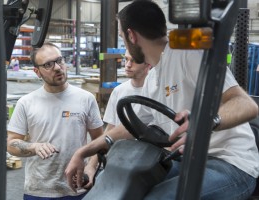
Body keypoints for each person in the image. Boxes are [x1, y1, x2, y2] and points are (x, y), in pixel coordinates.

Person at [65, 1, 259, 199]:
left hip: (230, 164)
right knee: (123, 186)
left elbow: (246, 105)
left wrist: (203, 123)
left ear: (131, 35)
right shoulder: (153, 77)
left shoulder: (187, 54)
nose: (125, 44)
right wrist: (85, 151)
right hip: (188, 161)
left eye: (123, 38)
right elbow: (133, 126)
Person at [7, 42, 104, 200]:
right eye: (48, 65)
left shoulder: (86, 99)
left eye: (60, 60)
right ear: (37, 72)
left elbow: (99, 140)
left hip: (78, 189)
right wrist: (33, 146)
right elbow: (11, 144)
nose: (58, 67)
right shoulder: (26, 103)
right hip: (38, 190)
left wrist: (91, 167)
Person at [103, 50, 150, 132]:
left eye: (134, 60)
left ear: (148, 64)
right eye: (126, 59)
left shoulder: (155, 92)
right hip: (121, 144)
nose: (128, 65)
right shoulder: (118, 91)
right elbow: (111, 127)